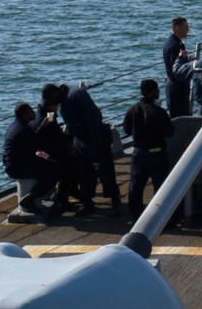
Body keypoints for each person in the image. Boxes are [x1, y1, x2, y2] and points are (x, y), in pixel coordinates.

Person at [60, 81, 121, 215]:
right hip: (80, 139)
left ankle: (115, 202)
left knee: (105, 171)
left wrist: (95, 135)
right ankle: (88, 202)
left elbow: (93, 114)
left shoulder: (76, 95)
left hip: (93, 139)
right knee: (84, 173)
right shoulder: (68, 98)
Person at [123, 78, 175, 221]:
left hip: (138, 153)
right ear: (152, 92)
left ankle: (135, 216)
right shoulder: (159, 112)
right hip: (156, 153)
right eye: (156, 89)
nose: (158, 91)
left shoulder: (132, 110)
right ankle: (161, 217)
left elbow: (127, 130)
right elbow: (169, 132)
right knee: (160, 187)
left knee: (136, 187)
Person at [1, 102, 60, 212]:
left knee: (52, 165)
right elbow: (29, 154)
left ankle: (46, 195)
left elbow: (32, 141)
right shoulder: (21, 130)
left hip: (14, 163)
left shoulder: (18, 125)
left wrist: (42, 126)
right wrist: (46, 159)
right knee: (54, 171)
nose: (34, 113)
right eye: (31, 112)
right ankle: (30, 198)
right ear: (24, 115)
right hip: (16, 167)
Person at [33, 84, 77, 212]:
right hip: (44, 153)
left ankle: (65, 193)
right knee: (69, 165)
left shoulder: (45, 112)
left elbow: (56, 132)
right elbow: (51, 136)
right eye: (55, 105)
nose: (57, 107)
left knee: (69, 160)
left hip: (46, 150)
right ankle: (62, 198)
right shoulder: (44, 119)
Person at [163, 16, 192, 118]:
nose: (188, 30)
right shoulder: (175, 46)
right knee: (180, 116)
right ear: (177, 28)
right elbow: (177, 70)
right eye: (185, 27)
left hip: (173, 85)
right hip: (177, 88)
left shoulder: (170, 42)